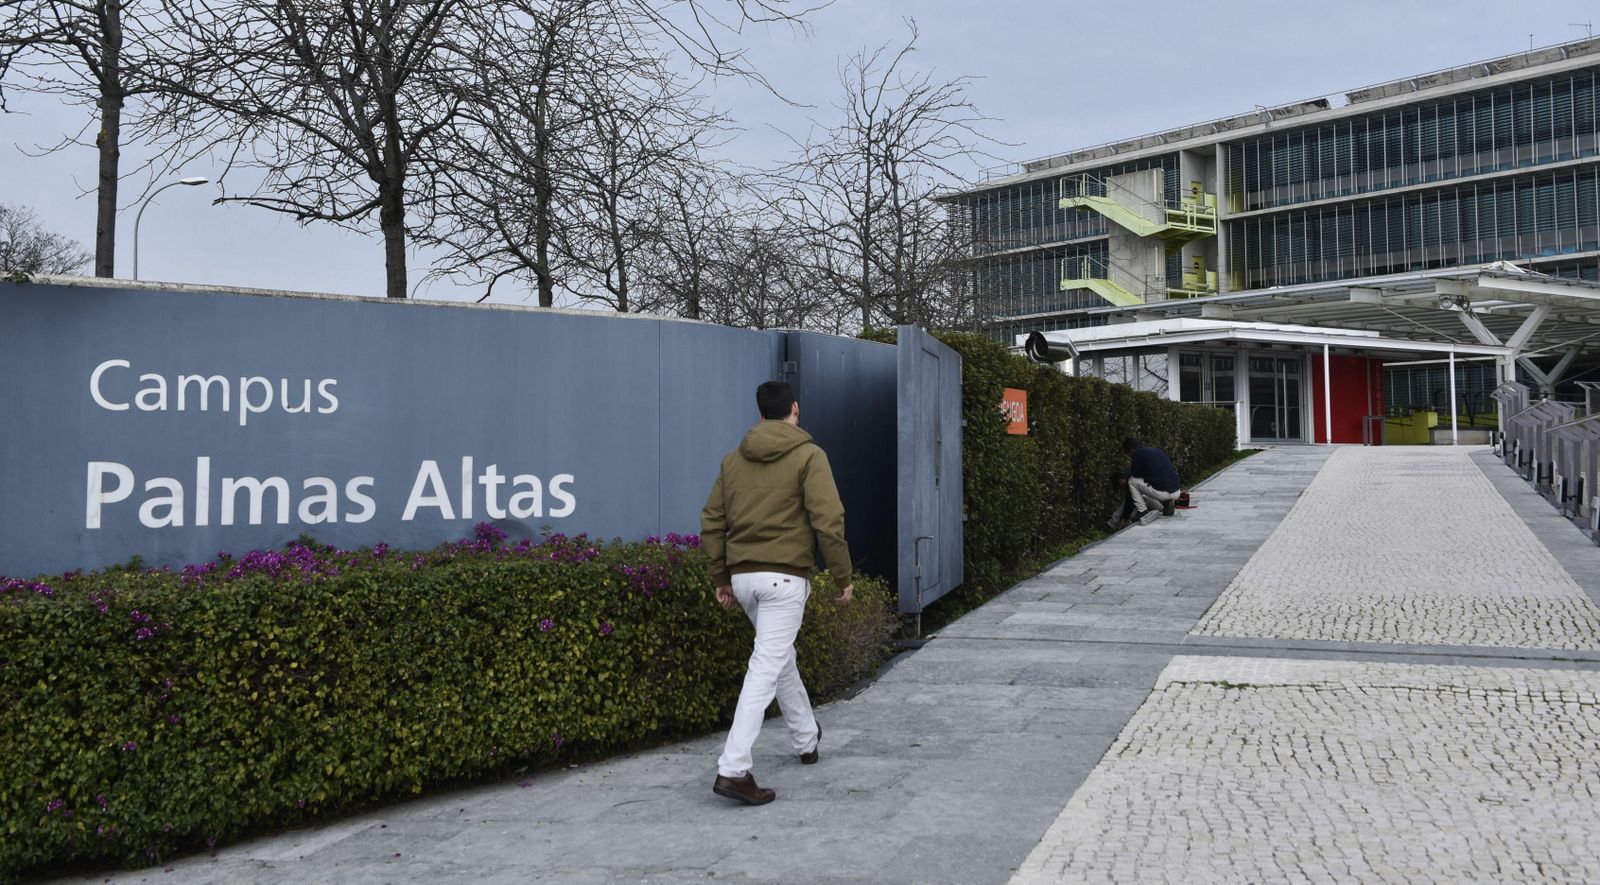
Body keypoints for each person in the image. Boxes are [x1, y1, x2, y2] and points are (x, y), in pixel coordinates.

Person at [700, 380, 854, 806]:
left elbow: (712, 521)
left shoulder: (733, 461)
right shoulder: (809, 455)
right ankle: (733, 769)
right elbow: (829, 521)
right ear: (795, 410)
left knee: (779, 658)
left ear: (759, 415)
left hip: (746, 580)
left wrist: (720, 578)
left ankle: (806, 738)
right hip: (784, 579)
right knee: (766, 666)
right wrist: (843, 577)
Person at [1122, 437, 1182, 523]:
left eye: (1128, 454)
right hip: (1176, 491)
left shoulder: (1137, 454)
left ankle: (1142, 511)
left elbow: (1134, 474)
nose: (1130, 457)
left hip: (1161, 493)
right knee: (1157, 481)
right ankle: (1167, 502)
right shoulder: (1157, 451)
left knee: (1131, 481)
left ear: (1131, 450)